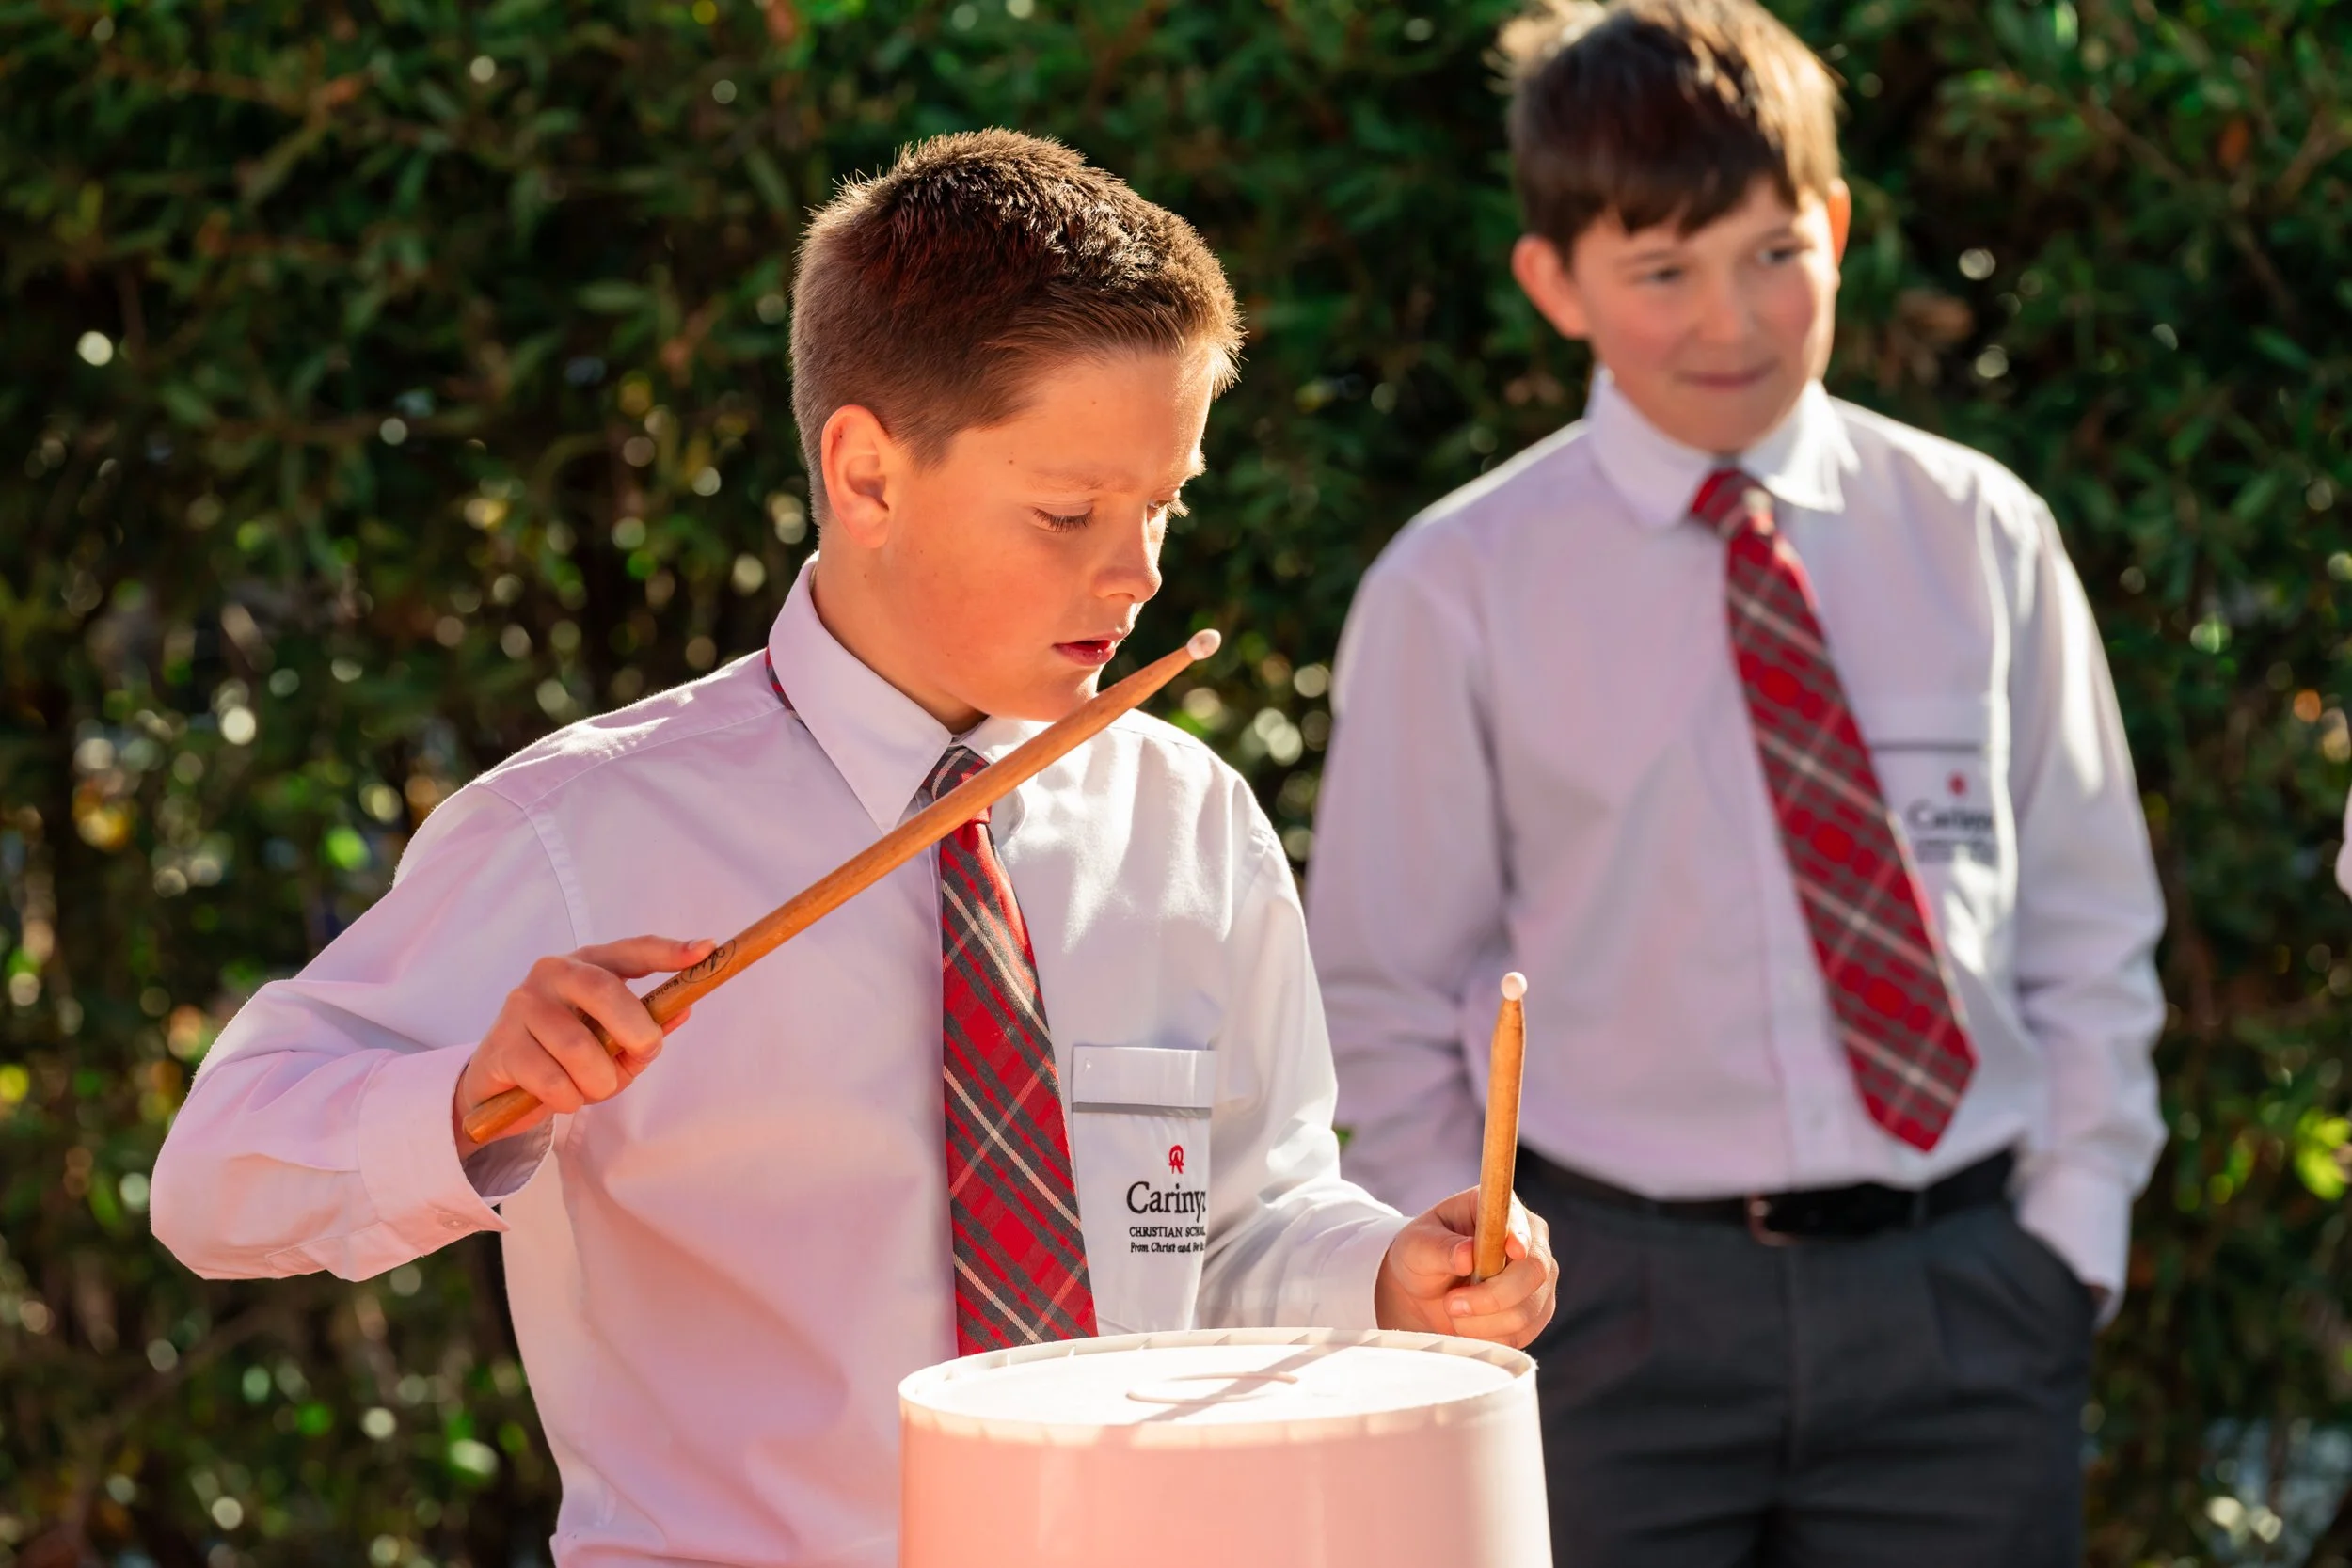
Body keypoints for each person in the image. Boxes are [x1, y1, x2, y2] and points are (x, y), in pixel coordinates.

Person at [153, 131, 1556, 1568]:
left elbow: (1242, 1223)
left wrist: (1385, 1274)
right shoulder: (582, 831)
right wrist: (464, 1099)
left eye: (1163, 506)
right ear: (867, 473)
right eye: (1070, 512)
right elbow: (212, 1182)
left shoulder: (1194, 823)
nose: (1136, 572)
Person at [1305, 3, 2165, 1561]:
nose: (1733, 318)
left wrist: (2072, 1236)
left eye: (1777, 251)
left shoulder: (1979, 534)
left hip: (1960, 1311)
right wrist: (1477, 1278)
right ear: (1553, 282)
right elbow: (1381, 992)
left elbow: (2090, 920)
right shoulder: (1460, 586)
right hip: (1605, 1322)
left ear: (1835, 225)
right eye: (1662, 270)